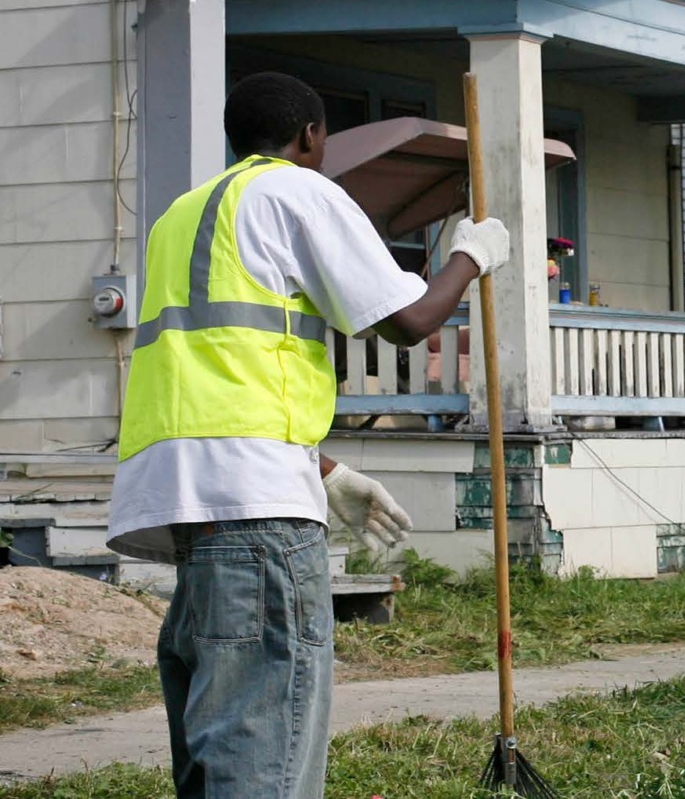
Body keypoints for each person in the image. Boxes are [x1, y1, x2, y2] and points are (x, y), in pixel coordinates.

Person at [108, 72, 511, 798]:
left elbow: (219, 377)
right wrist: (471, 257)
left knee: (216, 749)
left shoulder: (181, 216)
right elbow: (409, 321)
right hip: (258, 514)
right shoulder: (298, 191)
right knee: (262, 753)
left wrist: (325, 472)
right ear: (310, 136)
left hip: (190, 512)